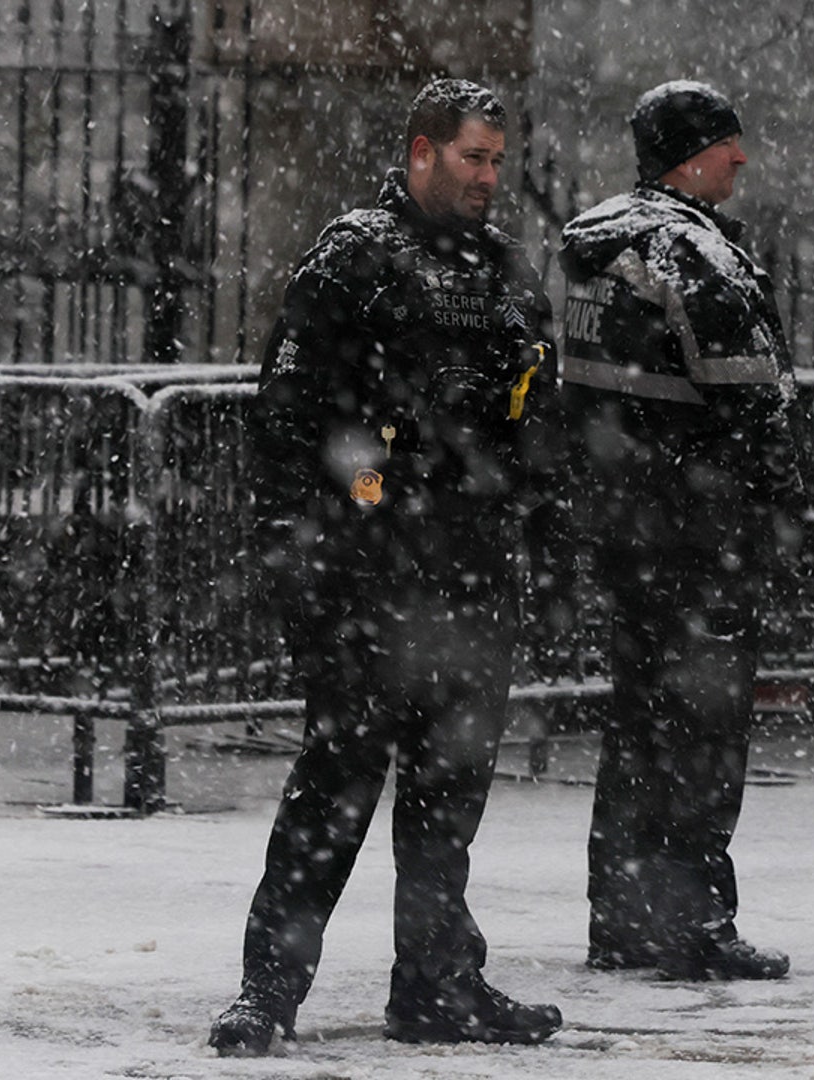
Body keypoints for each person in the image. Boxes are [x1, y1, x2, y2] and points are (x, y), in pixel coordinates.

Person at [206, 79, 564, 1055]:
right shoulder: (354, 259)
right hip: (365, 581)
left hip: (472, 578)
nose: (491, 177)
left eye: (498, 160)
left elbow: (536, 423)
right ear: (421, 152)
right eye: (473, 158)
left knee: (449, 801)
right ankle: (269, 993)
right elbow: (288, 423)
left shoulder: (502, 271)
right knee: (336, 787)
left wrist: (536, 528)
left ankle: (438, 985)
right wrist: (328, 545)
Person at [556, 79, 799, 981]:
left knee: (637, 724)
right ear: (689, 151)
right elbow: (752, 399)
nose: (741, 157)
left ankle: (621, 916)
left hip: (627, 527)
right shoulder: (689, 249)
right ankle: (693, 921)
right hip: (703, 532)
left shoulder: (590, 247)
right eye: (728, 142)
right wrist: (782, 505)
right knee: (701, 729)